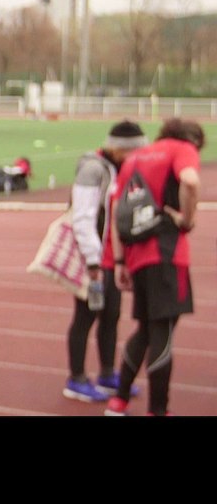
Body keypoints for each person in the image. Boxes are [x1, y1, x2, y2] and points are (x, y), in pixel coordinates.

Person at [105, 118, 204, 416]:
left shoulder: (134, 157)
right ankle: (157, 409)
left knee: (146, 329)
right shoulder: (182, 149)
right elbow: (189, 180)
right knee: (162, 330)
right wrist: (187, 218)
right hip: (167, 254)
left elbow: (116, 210)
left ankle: (119, 400)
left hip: (136, 255)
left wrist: (120, 260)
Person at [61, 120, 147, 404]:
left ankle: (108, 374)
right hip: (94, 260)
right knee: (85, 317)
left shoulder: (118, 170)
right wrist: (93, 261)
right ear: (122, 150)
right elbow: (82, 217)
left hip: (112, 259)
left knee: (110, 315)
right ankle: (76, 379)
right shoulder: (93, 169)